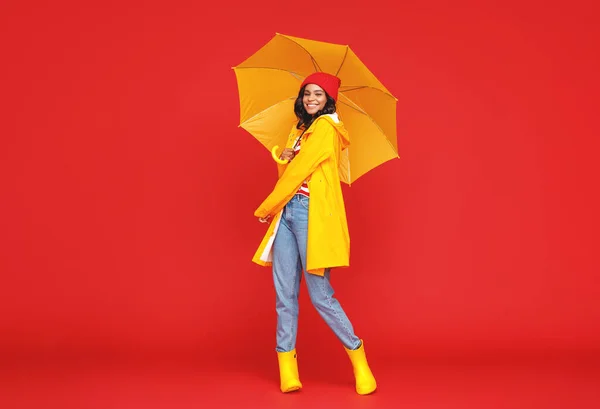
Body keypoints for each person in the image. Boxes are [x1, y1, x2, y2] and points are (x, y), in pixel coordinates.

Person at [252, 72, 377, 395]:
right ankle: (287, 367)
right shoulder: (299, 129)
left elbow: (303, 169)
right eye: (307, 93)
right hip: (288, 213)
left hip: (312, 216)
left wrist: (266, 206)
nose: (311, 99)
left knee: (320, 295)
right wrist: (283, 157)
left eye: (318, 95)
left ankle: (359, 359)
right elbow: (292, 171)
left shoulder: (326, 129)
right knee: (285, 295)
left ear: (328, 101)